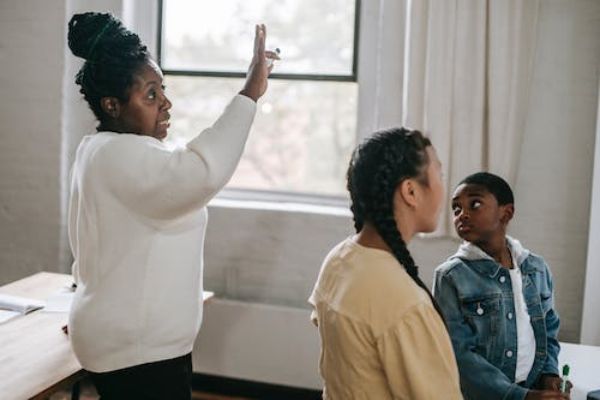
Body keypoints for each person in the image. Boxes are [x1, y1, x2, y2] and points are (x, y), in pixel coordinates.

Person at [66, 12, 278, 399]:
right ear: (112, 105)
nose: (166, 103)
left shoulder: (99, 149)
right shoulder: (120, 156)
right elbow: (201, 172)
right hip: (136, 350)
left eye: (162, 89)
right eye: (150, 94)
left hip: (126, 340)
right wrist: (250, 93)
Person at [308, 128, 463, 399]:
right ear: (411, 191)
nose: (445, 189)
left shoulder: (338, 259)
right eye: (440, 174)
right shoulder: (407, 305)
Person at [433, 172, 568, 400]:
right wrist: (521, 396)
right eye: (456, 208)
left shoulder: (537, 268)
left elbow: (548, 330)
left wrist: (549, 374)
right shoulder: (450, 276)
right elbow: (458, 354)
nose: (462, 214)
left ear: (506, 212)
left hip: (532, 387)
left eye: (475, 204)